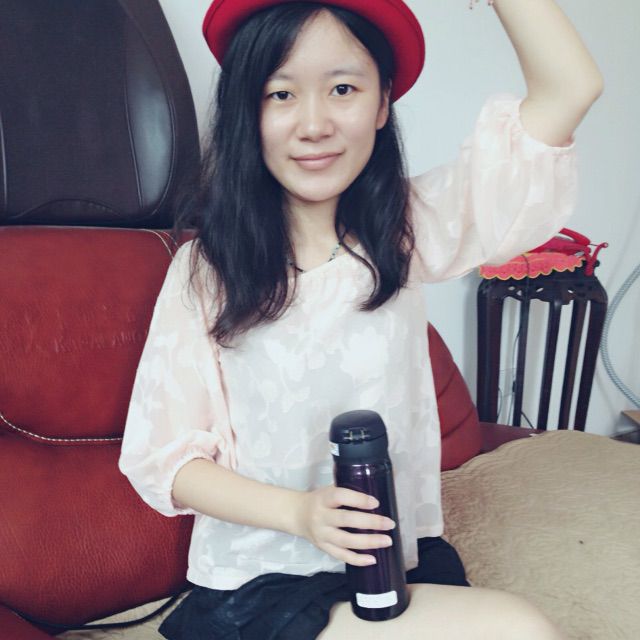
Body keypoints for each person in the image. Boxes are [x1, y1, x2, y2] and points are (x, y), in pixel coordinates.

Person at [119, 0, 603, 638]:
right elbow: (165, 462)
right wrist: (301, 514)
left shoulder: (406, 230)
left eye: (343, 89)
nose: (314, 124)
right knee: (517, 627)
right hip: (265, 576)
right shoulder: (206, 271)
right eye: (280, 94)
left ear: (382, 104)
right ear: (246, 113)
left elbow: (570, 89)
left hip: (392, 558)